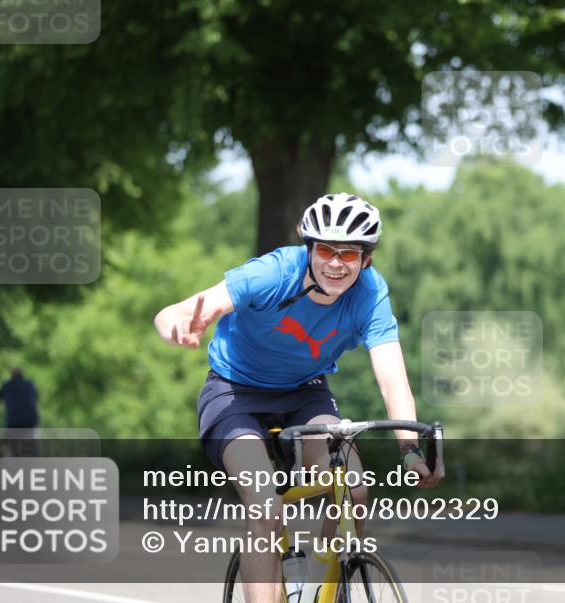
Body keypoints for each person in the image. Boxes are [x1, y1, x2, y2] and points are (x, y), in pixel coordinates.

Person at [153, 193, 441, 603]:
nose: (336, 263)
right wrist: (180, 330)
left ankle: (317, 591)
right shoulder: (273, 273)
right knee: (265, 506)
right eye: (325, 250)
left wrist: (410, 450)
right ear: (309, 248)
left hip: (306, 393)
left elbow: (393, 380)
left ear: (367, 258)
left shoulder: (371, 294)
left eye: (350, 253)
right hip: (234, 392)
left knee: (354, 488)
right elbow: (173, 312)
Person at [0, 367, 40, 456]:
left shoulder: (6, 386)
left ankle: (4, 456)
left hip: (14, 422)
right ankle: (35, 458)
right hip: (31, 420)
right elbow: (35, 401)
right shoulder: (30, 385)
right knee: (32, 446)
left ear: (11, 375)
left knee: (7, 446)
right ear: (22, 375)